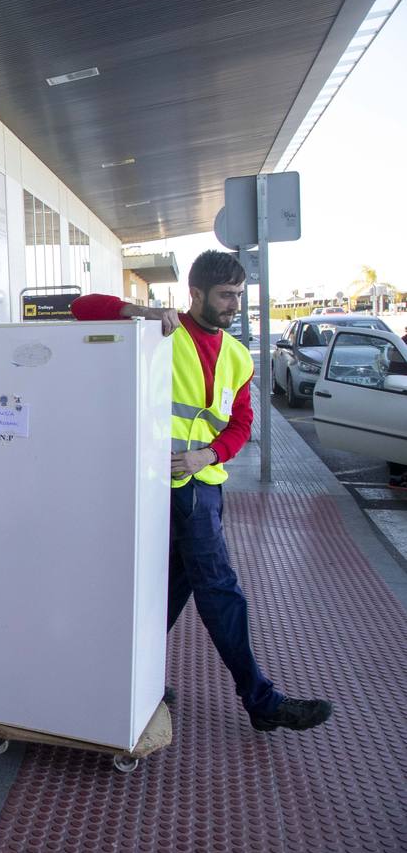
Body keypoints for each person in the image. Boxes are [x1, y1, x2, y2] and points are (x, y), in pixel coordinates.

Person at [71, 250, 332, 733]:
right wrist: (144, 311)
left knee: (174, 586)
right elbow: (82, 308)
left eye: (239, 295)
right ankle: (261, 700)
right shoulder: (162, 334)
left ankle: (132, 674)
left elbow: (241, 423)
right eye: (225, 295)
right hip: (161, 489)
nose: (234, 304)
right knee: (219, 589)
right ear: (195, 294)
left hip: (202, 487)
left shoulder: (236, 355)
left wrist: (206, 456)